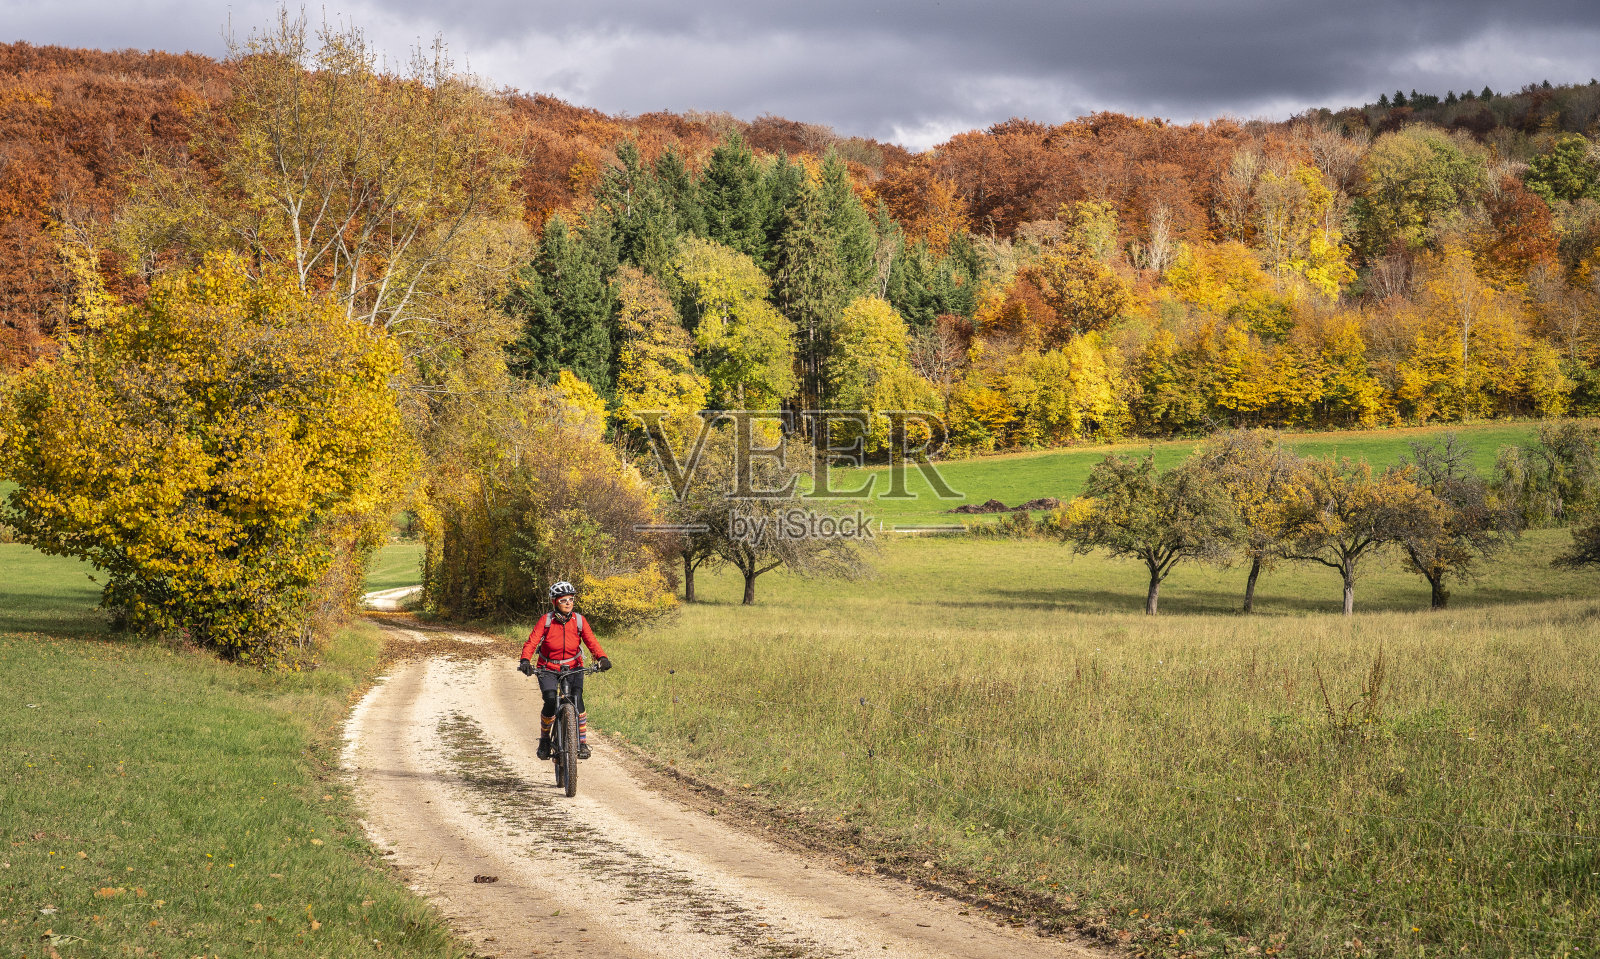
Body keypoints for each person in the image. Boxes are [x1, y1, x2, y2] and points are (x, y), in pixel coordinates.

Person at [519, 581, 611, 760]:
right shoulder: (546, 620)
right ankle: (545, 740)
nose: (568, 603)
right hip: (548, 667)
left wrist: (602, 657)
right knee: (551, 700)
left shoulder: (579, 620)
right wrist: (525, 660)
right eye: (564, 600)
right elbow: (532, 641)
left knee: (577, 698)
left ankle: (582, 742)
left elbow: (591, 640)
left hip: (574, 666)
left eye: (571, 599)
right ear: (555, 602)